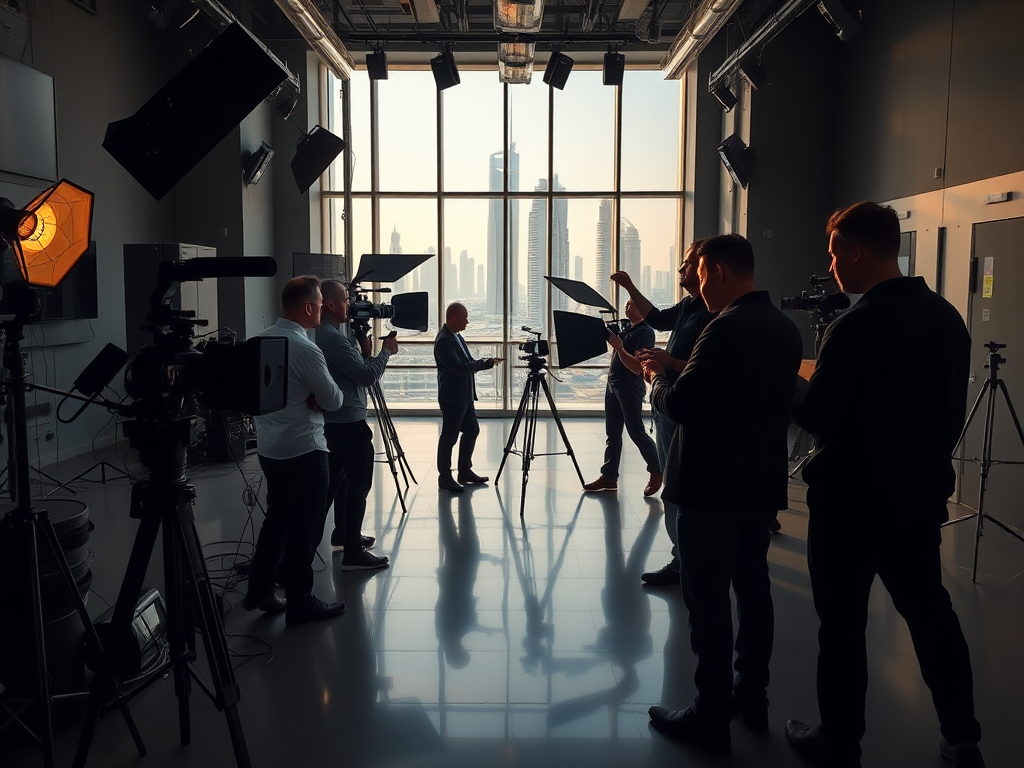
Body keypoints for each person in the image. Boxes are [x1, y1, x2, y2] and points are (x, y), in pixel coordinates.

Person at [785, 202, 984, 768]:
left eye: (833, 252)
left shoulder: (857, 324)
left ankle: (840, 743)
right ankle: (962, 736)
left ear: (855, 250)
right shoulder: (947, 317)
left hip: (850, 505)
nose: (830, 265)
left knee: (843, 627)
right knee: (931, 616)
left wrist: (793, 380)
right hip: (917, 499)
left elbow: (819, 417)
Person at [642, 234, 802, 755]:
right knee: (754, 593)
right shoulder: (783, 327)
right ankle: (751, 699)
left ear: (717, 271)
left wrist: (653, 379)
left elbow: (683, 405)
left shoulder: (722, 327)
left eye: (698, 273)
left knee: (707, 604)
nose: (695, 285)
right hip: (758, 487)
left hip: (709, 490)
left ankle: (710, 716)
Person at [244, 276, 347, 626]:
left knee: (276, 521)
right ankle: (300, 600)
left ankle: (259, 590)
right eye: (319, 304)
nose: (322, 309)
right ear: (308, 308)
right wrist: (316, 399)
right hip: (306, 451)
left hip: (270, 450)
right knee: (304, 528)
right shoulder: (304, 347)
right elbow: (334, 399)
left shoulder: (258, 340)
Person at [611, 241, 714, 584]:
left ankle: (686, 562)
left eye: (687, 264)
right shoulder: (688, 306)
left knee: (680, 488)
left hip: (680, 405)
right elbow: (656, 316)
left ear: (704, 269)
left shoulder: (711, 314)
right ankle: (682, 559)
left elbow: (709, 371)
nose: (681, 270)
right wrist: (628, 285)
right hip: (669, 404)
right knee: (675, 485)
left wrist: (667, 363)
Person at [315, 279, 395, 572]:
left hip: (334, 422)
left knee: (335, 484)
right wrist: (385, 351)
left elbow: (354, 368)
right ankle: (353, 552)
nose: (351, 306)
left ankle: (342, 535)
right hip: (348, 423)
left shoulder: (331, 334)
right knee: (359, 484)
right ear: (332, 305)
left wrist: (363, 348)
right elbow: (365, 375)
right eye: (347, 301)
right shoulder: (331, 337)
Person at [581, 300, 663, 496]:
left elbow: (638, 366)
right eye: (626, 304)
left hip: (629, 386)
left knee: (636, 431)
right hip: (613, 383)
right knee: (613, 434)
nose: (628, 308)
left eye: (633, 305)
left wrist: (619, 347)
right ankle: (609, 477)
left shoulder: (646, 332)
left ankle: (657, 470)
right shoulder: (627, 329)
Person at [434, 302, 503, 493]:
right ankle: (445, 477)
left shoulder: (456, 337)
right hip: (453, 397)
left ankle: (464, 471)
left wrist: (485, 362)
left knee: (472, 430)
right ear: (453, 317)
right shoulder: (444, 340)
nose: (467, 321)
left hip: (464, 396)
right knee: (449, 437)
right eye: (464, 317)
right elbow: (458, 368)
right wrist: (485, 364)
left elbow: (468, 362)